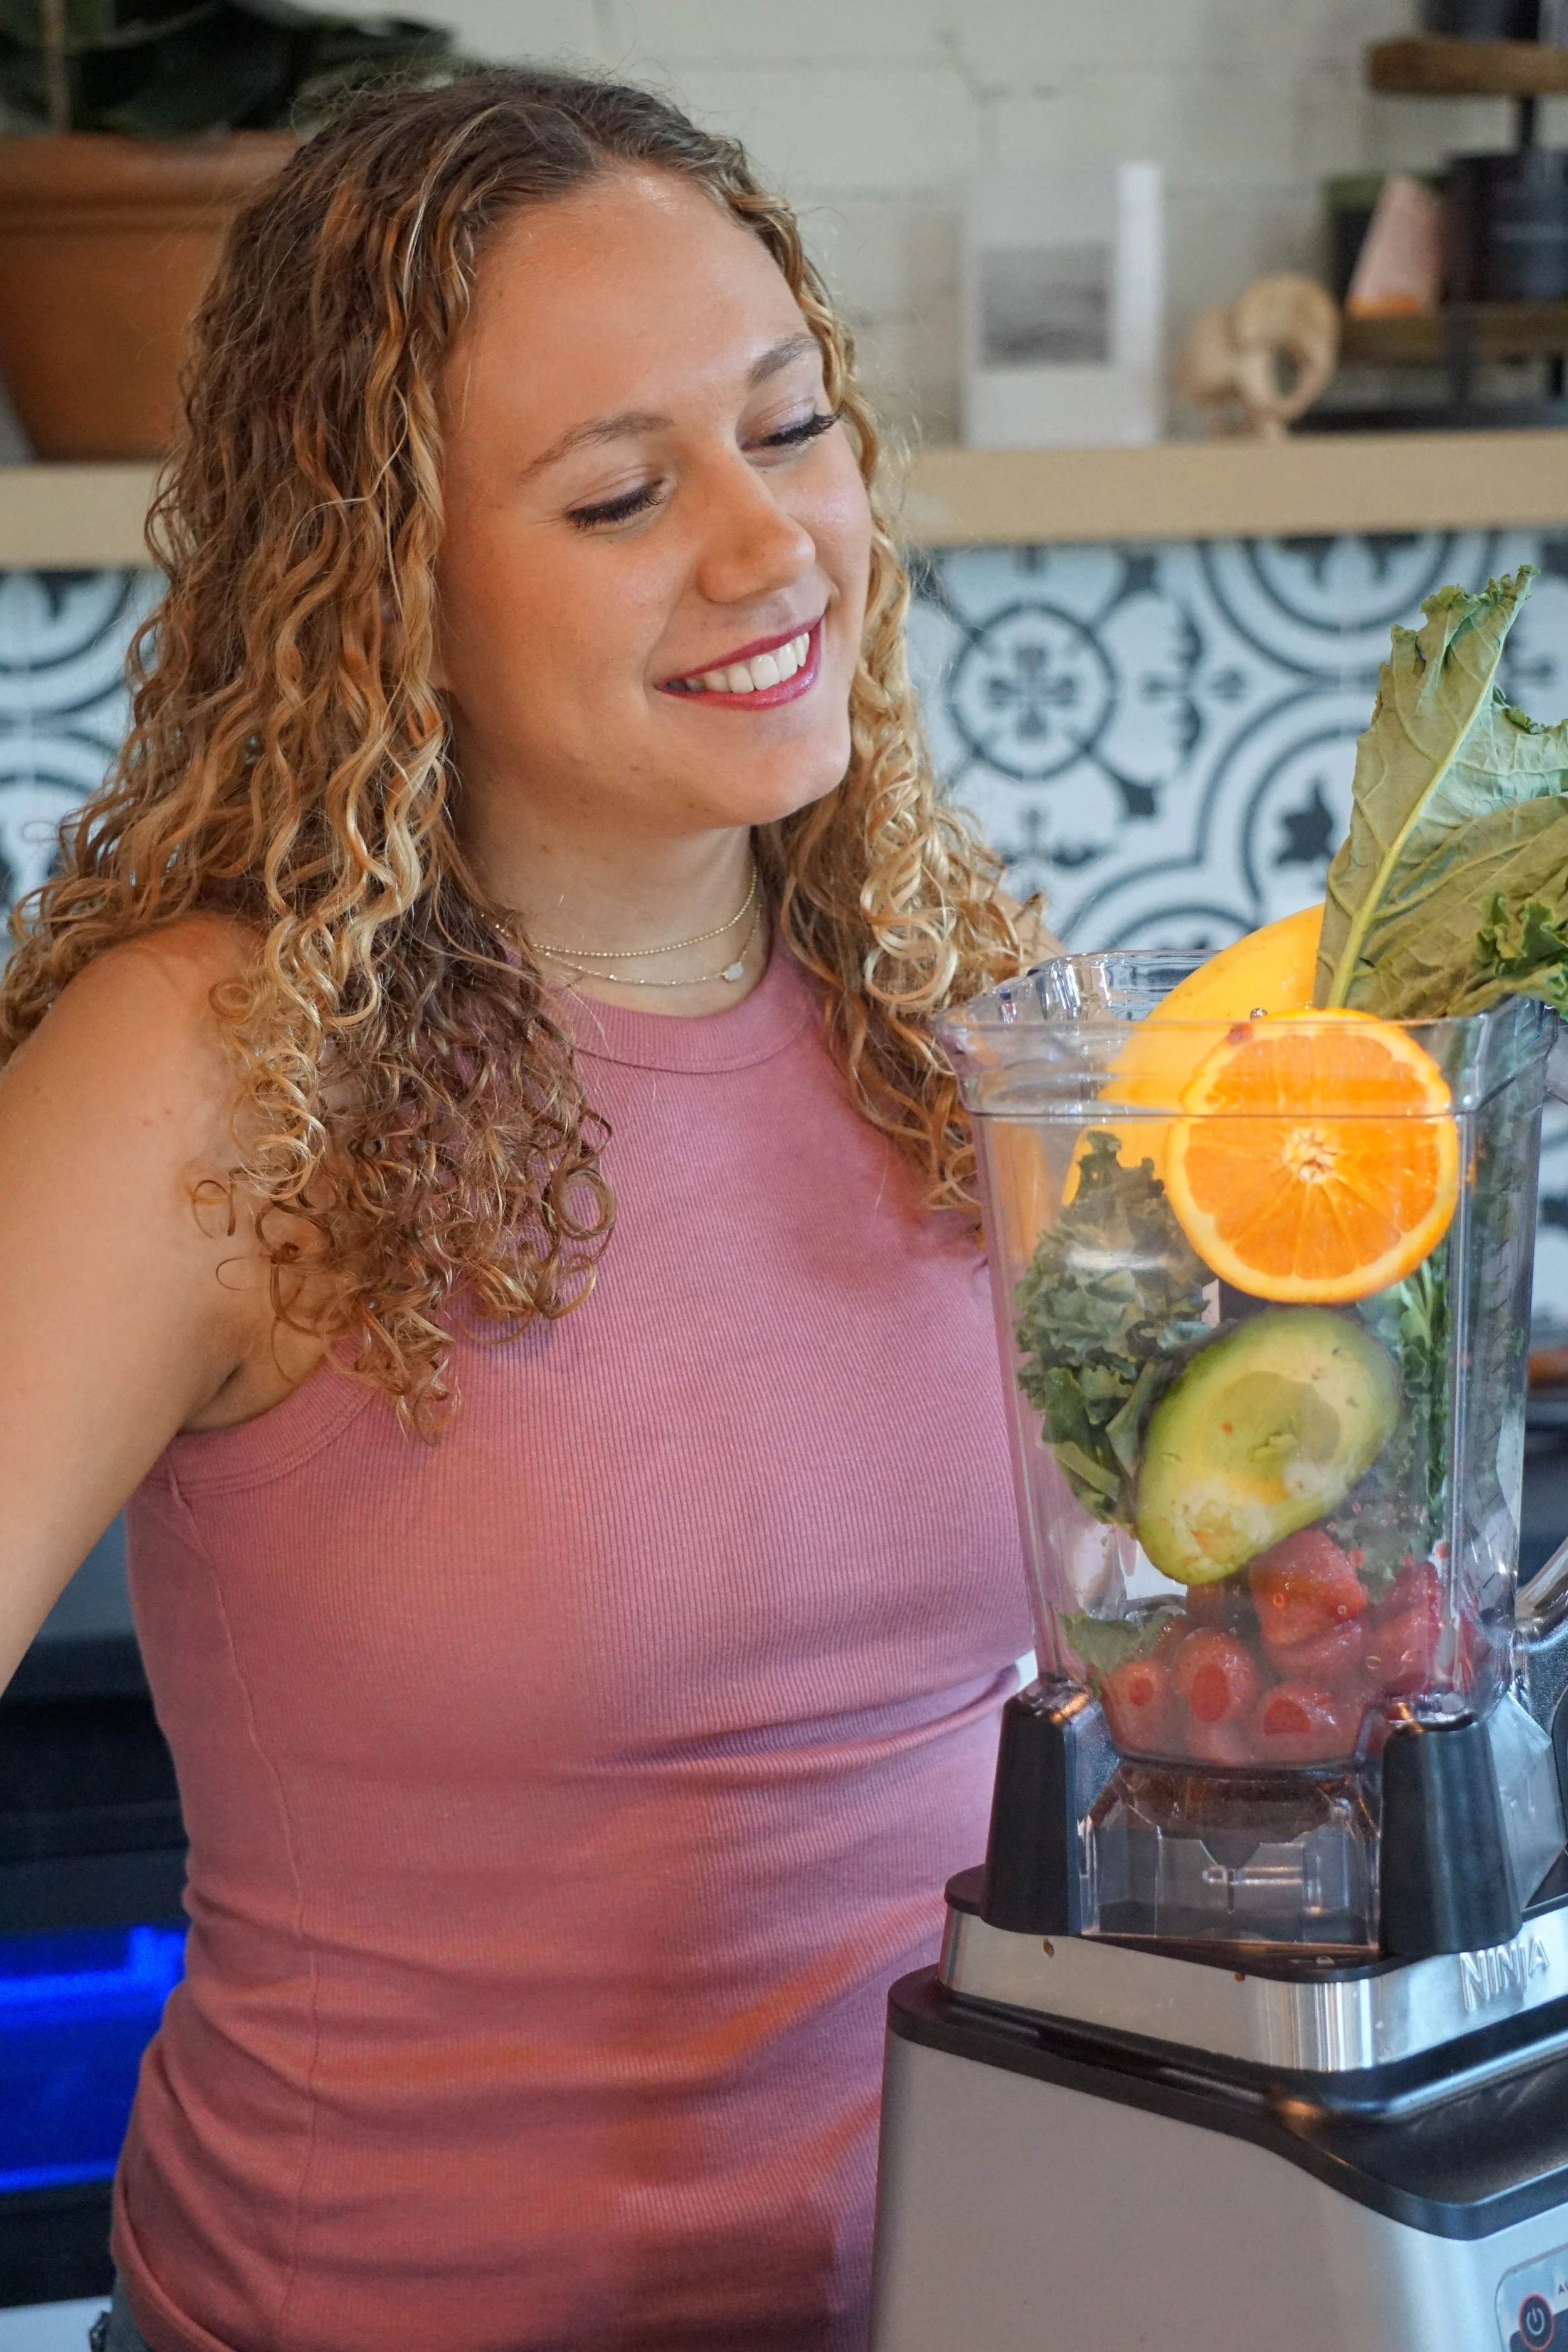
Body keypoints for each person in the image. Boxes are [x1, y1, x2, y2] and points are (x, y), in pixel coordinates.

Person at [0, 69, 1039, 2352]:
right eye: (616, 495)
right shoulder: (204, 1071)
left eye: (790, 428)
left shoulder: (970, 1020)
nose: (770, 551)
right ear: (384, 588)